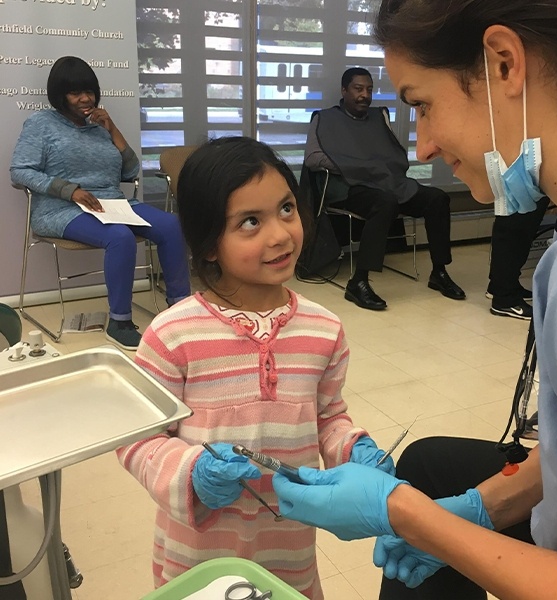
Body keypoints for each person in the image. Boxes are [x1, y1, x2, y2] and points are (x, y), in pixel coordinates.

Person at [272, 1, 557, 599]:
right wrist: (476, 509)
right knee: (429, 464)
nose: (421, 146)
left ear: (504, 64)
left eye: (423, 105)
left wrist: (411, 518)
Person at [116, 137, 394, 599]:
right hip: (198, 555)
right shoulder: (173, 335)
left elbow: (327, 417)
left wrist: (353, 449)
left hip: (288, 548)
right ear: (208, 244)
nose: (281, 234)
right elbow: (137, 438)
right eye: (250, 222)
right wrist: (191, 471)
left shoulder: (324, 329)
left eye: (286, 209)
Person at [10, 56, 190, 351]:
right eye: (75, 92)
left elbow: (130, 172)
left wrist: (112, 128)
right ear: (59, 94)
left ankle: (180, 307)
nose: (85, 98)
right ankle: (119, 322)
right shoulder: (40, 124)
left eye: (89, 91)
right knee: (119, 236)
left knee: (171, 225)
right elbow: (20, 171)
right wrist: (69, 190)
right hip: (61, 209)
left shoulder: (98, 126)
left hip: (111, 203)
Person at [304, 67, 465, 310]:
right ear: (344, 90)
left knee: (437, 199)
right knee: (384, 202)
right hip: (349, 188)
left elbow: (392, 152)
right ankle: (358, 282)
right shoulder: (325, 118)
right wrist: (358, 165)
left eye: (369, 90)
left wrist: (376, 166)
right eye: (358, 89)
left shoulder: (378, 118)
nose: (364, 95)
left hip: (388, 184)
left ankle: (439, 272)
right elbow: (313, 158)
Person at [486, 195, 550, 319]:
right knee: (516, 228)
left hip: (521, 180)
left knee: (518, 227)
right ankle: (505, 298)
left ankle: (501, 285)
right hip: (520, 179)